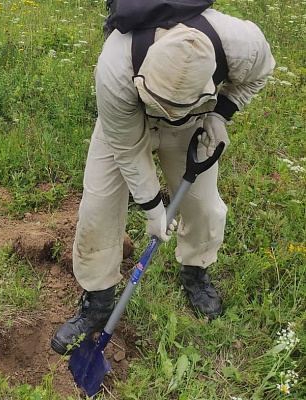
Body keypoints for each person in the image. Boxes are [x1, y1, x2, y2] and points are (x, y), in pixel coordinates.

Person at [51, 7, 275, 355]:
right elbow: (127, 150)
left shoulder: (241, 44)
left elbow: (260, 75)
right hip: (126, 120)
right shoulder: (116, 64)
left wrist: (220, 114)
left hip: (192, 122)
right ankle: (97, 302)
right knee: (98, 208)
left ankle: (195, 271)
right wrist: (153, 207)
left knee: (203, 208)